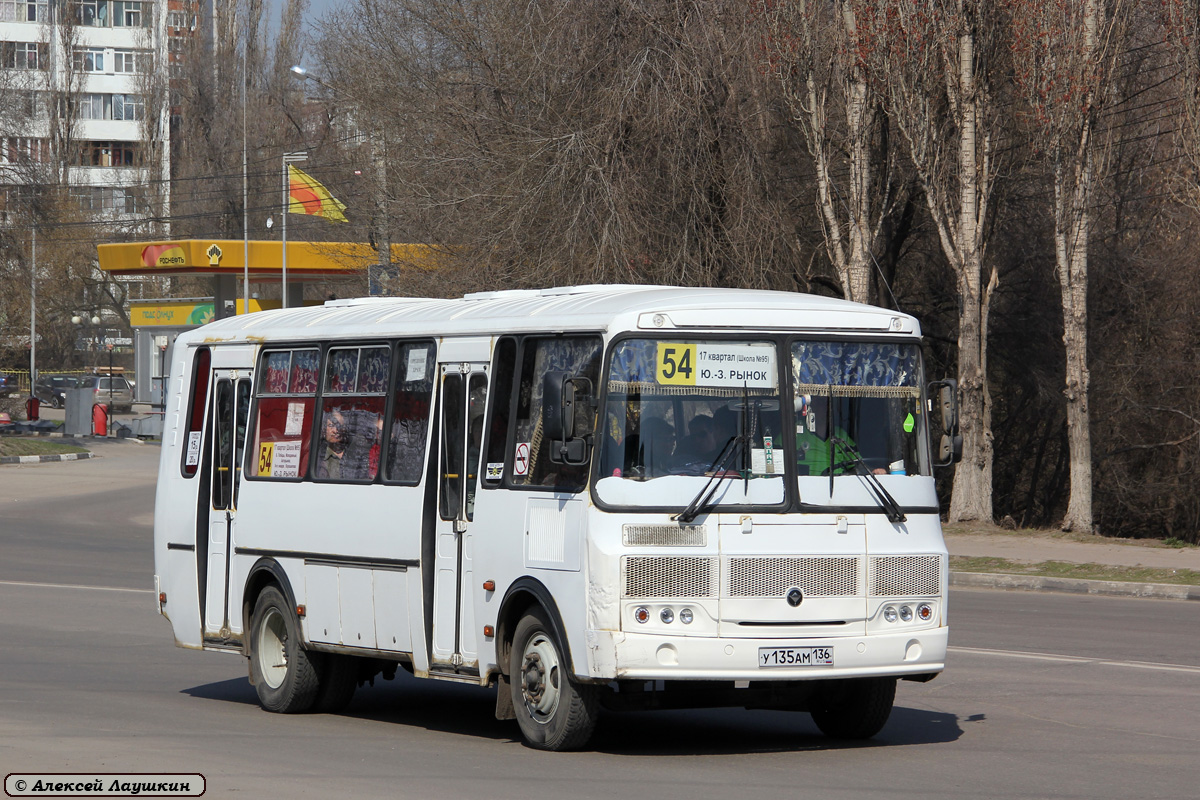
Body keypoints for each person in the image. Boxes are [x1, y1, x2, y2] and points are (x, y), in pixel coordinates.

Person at [795, 395, 886, 476]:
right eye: (818, 402)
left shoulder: (840, 434)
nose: (823, 407)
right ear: (810, 405)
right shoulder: (795, 431)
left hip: (839, 486)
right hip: (806, 488)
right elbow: (781, 464)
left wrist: (873, 471)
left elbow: (857, 464)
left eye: (826, 403)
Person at [317, 408, 347, 479]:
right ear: (323, 429)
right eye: (331, 426)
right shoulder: (318, 457)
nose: (335, 430)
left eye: (339, 426)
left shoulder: (354, 455)